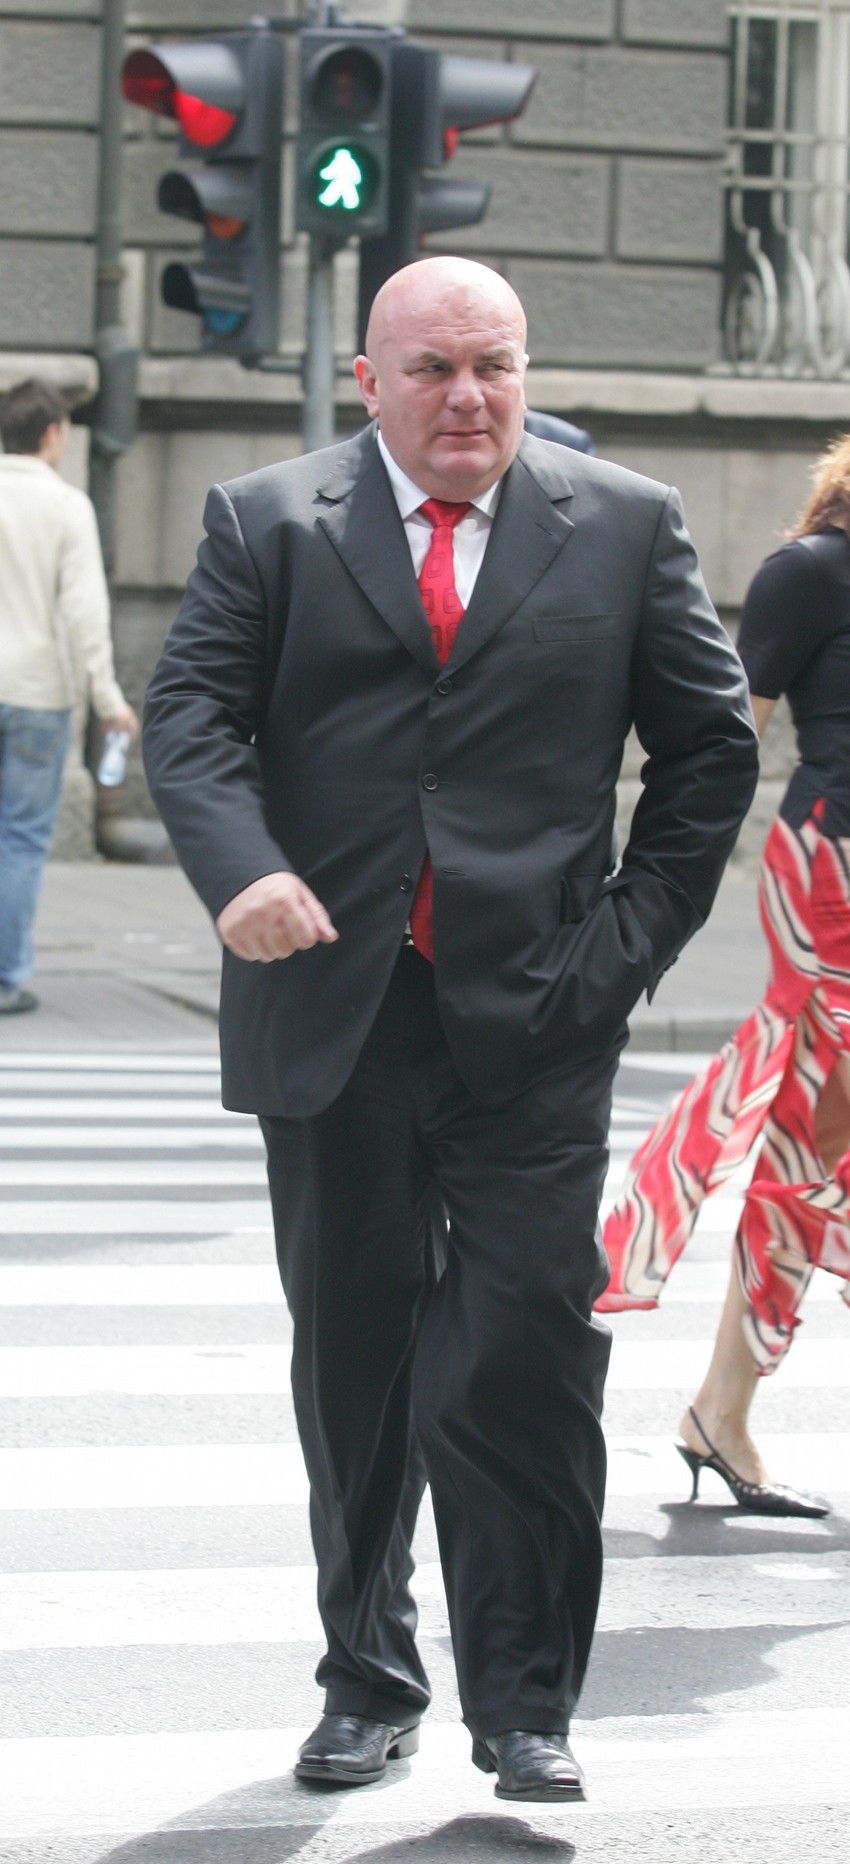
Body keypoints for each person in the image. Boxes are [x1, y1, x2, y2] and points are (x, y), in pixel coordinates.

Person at [143, 257, 758, 1802]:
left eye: (495, 364)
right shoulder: (267, 522)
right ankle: (366, 1682)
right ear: (370, 382)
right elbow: (192, 721)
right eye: (432, 370)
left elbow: (705, 755)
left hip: (535, 1016)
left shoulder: (622, 523)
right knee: (354, 1363)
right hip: (332, 1009)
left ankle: (526, 1704)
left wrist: (618, 949)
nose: (469, 397)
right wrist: (243, 869)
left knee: (522, 1357)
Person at [602, 436, 850, 1518]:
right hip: (833, 877)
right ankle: (715, 1400)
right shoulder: (813, 571)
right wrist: (654, 898)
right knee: (813, 1139)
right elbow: (721, 741)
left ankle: (720, 1409)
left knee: (816, 1147)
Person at [0, 377, 138, 1014]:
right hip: (36, 691)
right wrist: (109, 701)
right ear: (53, 433)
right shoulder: (65, 506)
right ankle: (4, 976)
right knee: (22, 839)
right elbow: (84, 614)